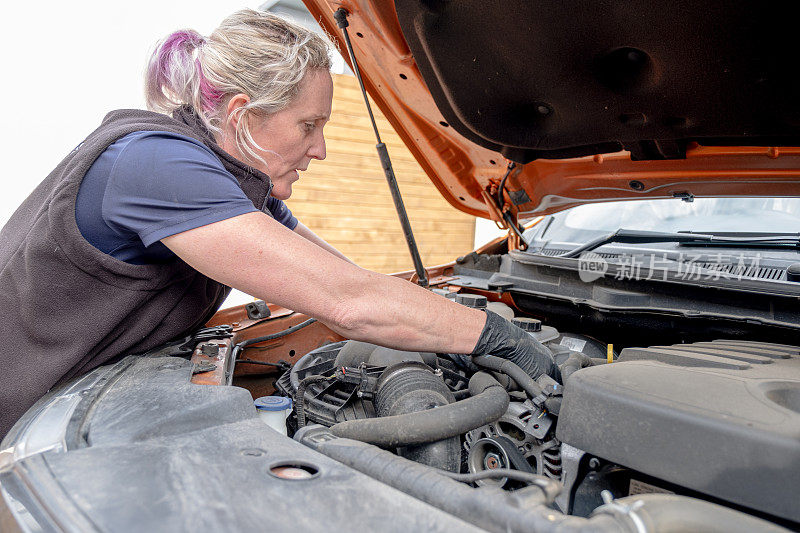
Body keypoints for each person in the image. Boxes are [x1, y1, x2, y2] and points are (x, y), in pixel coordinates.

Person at [0, 9, 557, 439]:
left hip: (65, 410)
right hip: (21, 434)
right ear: (242, 114)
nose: (320, 149)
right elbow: (346, 301)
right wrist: (499, 339)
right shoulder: (158, 165)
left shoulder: (233, 184)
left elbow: (342, 275)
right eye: (308, 125)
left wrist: (440, 316)